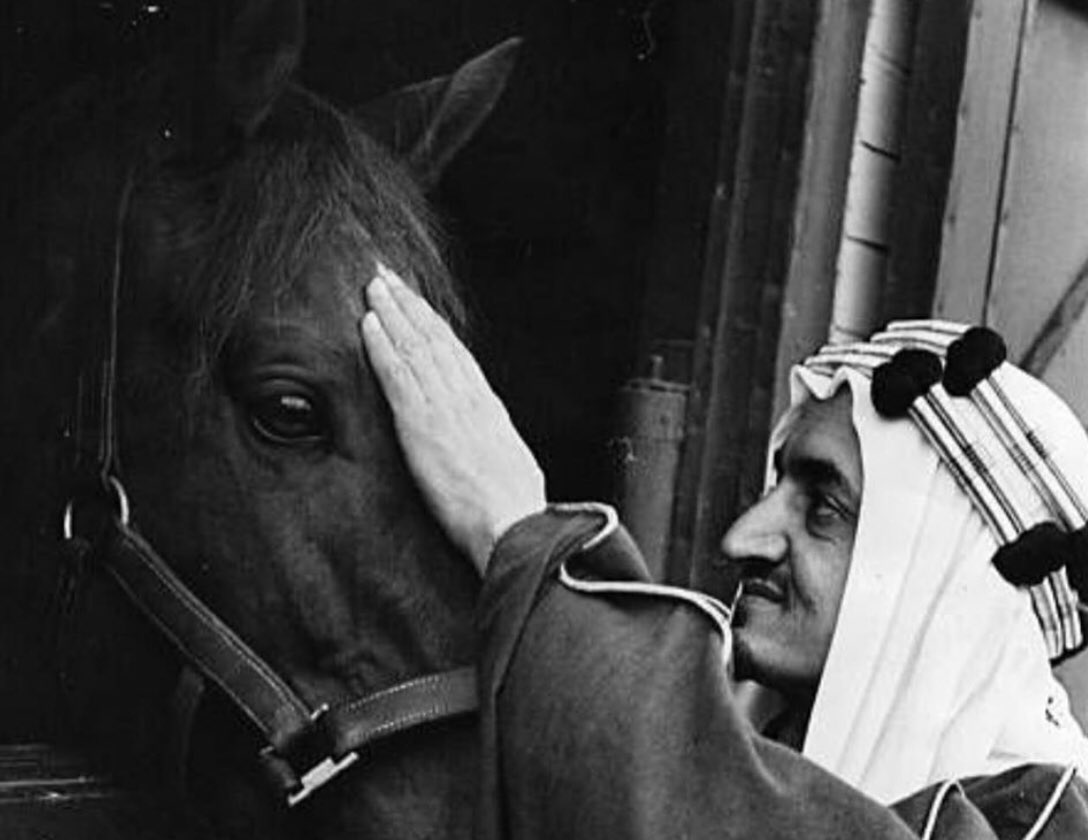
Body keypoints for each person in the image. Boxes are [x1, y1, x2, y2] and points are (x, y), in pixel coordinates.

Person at [361, 265, 1088, 839]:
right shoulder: (775, 748)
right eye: (777, 486)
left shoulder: (1040, 823)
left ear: (947, 589)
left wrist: (521, 537)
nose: (741, 538)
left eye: (824, 508)